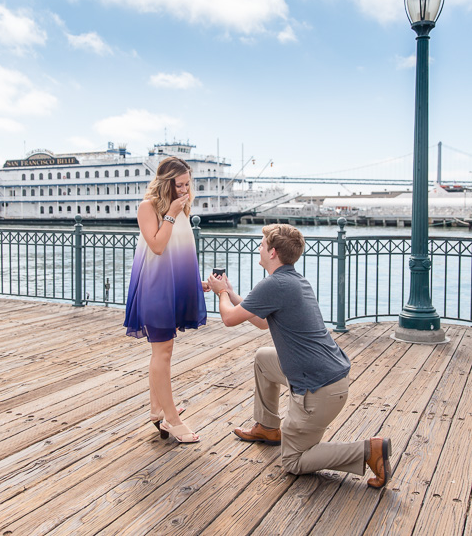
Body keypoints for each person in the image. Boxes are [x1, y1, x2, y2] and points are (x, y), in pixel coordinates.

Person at [206, 224, 391, 488]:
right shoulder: (294, 280)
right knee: (263, 359)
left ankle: (367, 451)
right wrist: (231, 292)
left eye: (261, 245)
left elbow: (228, 319)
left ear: (272, 252)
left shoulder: (274, 284)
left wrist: (222, 293)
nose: (258, 248)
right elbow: (261, 322)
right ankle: (268, 427)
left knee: (293, 461)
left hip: (318, 390)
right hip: (331, 379)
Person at [124, 156, 208, 444]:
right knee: (162, 352)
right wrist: (171, 213)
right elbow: (158, 247)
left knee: (163, 352)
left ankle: (157, 410)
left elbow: (179, 251)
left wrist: (194, 283)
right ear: (165, 183)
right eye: (179, 185)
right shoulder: (148, 207)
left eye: (187, 185)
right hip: (155, 287)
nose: (184, 190)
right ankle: (172, 419)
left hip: (174, 287)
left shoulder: (182, 207)